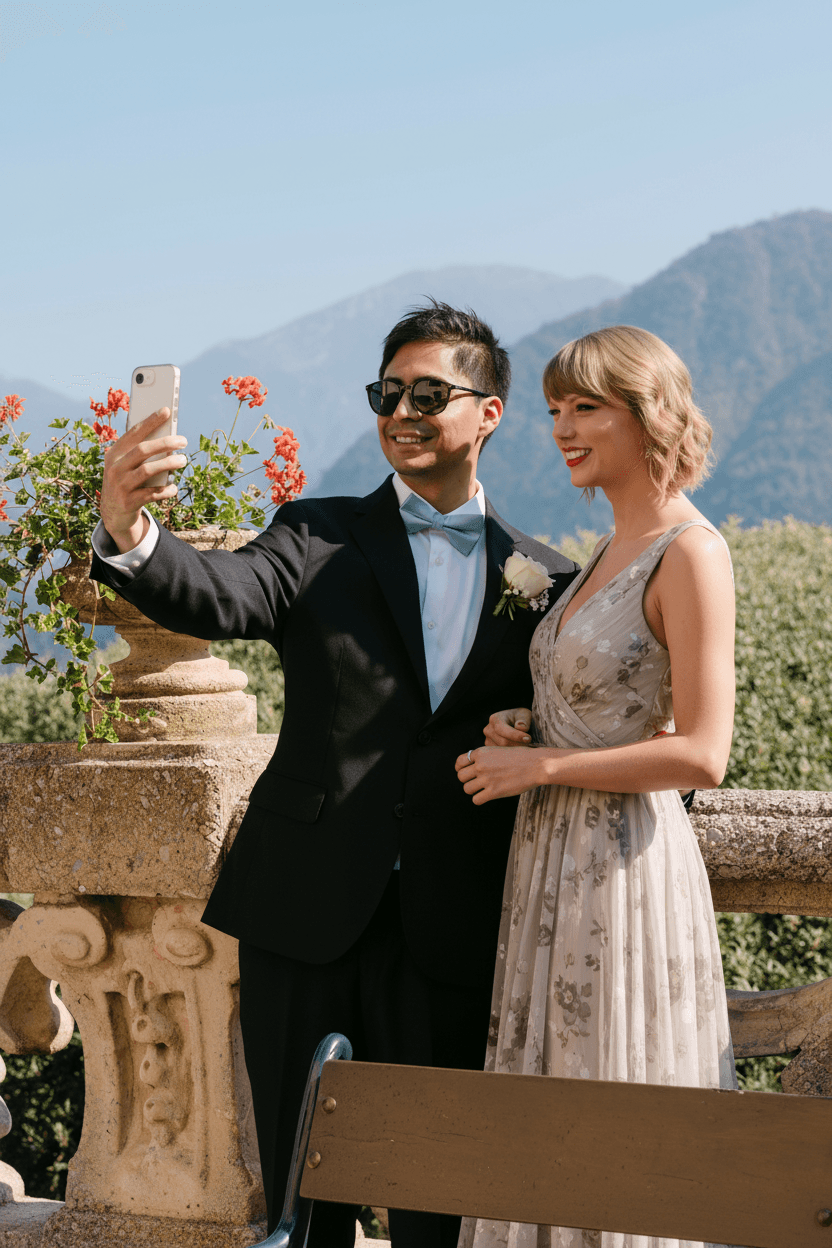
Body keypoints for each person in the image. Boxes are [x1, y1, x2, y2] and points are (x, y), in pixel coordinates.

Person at [90, 302, 580, 1248]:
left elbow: (573, 721)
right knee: (299, 1204)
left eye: (428, 395)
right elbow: (219, 593)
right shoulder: (315, 535)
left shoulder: (546, 581)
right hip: (301, 912)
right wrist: (128, 526)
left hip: (451, 927)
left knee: (438, 1202)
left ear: (488, 412)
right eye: (386, 393)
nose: (401, 412)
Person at [455, 325, 737, 1248]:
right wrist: (529, 726)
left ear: (648, 415)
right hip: (551, 861)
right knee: (550, 1102)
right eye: (554, 411)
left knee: (610, 1096)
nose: (562, 430)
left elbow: (703, 754)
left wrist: (541, 767)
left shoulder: (690, 552)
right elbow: (611, 702)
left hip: (622, 871)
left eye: (586, 408)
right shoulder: (612, 545)